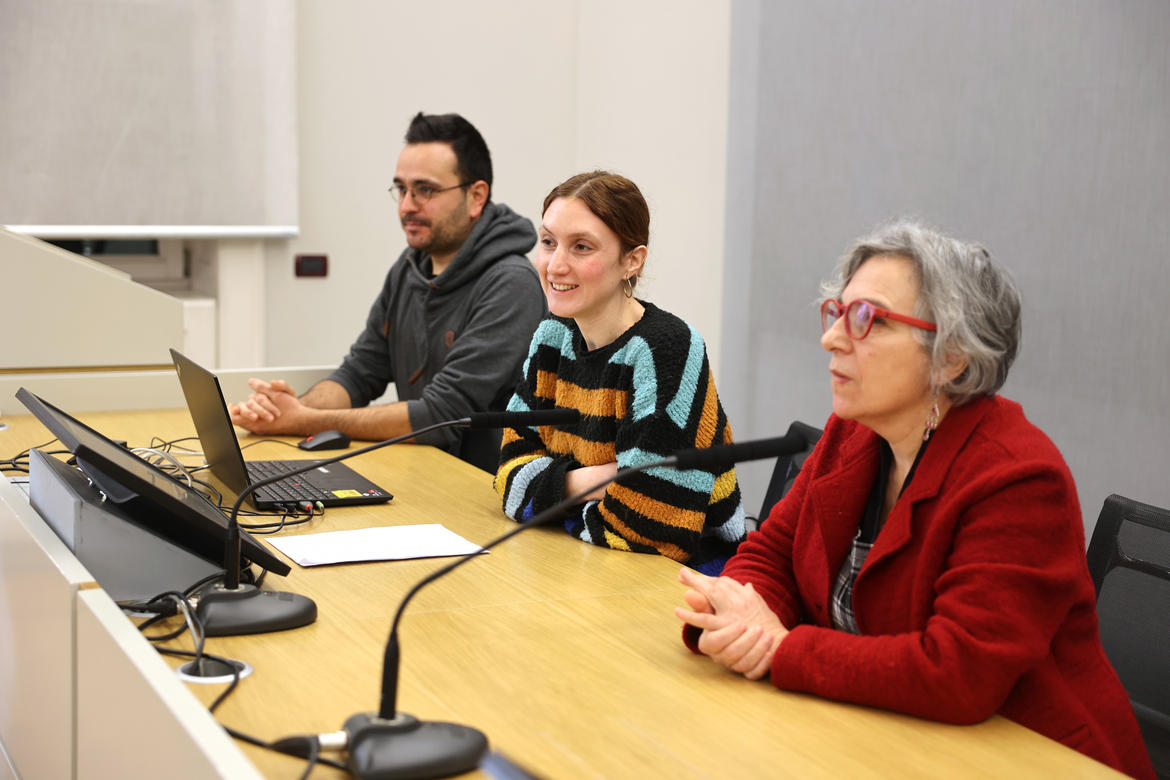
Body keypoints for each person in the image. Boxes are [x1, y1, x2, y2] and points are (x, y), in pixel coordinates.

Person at [674, 220, 1155, 778]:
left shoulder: (1019, 478)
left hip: (1028, 758)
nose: (832, 339)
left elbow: (958, 671)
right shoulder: (854, 432)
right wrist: (737, 622)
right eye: (837, 312)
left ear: (951, 356)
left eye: (868, 319)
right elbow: (773, 552)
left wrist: (782, 651)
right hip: (880, 739)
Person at [229, 112, 546, 471]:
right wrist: (287, 410)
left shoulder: (512, 284)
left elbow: (439, 416)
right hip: (421, 472)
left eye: (425, 190)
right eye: (402, 189)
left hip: (481, 488)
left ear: (476, 196)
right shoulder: (409, 269)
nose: (406, 206)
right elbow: (359, 373)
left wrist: (303, 420)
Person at [495, 171, 745, 574]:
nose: (555, 265)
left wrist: (552, 498)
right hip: (581, 559)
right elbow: (510, 478)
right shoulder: (552, 337)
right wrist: (600, 479)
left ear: (632, 260)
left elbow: (650, 524)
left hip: (683, 576)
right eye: (548, 242)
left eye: (581, 247)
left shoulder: (668, 348)